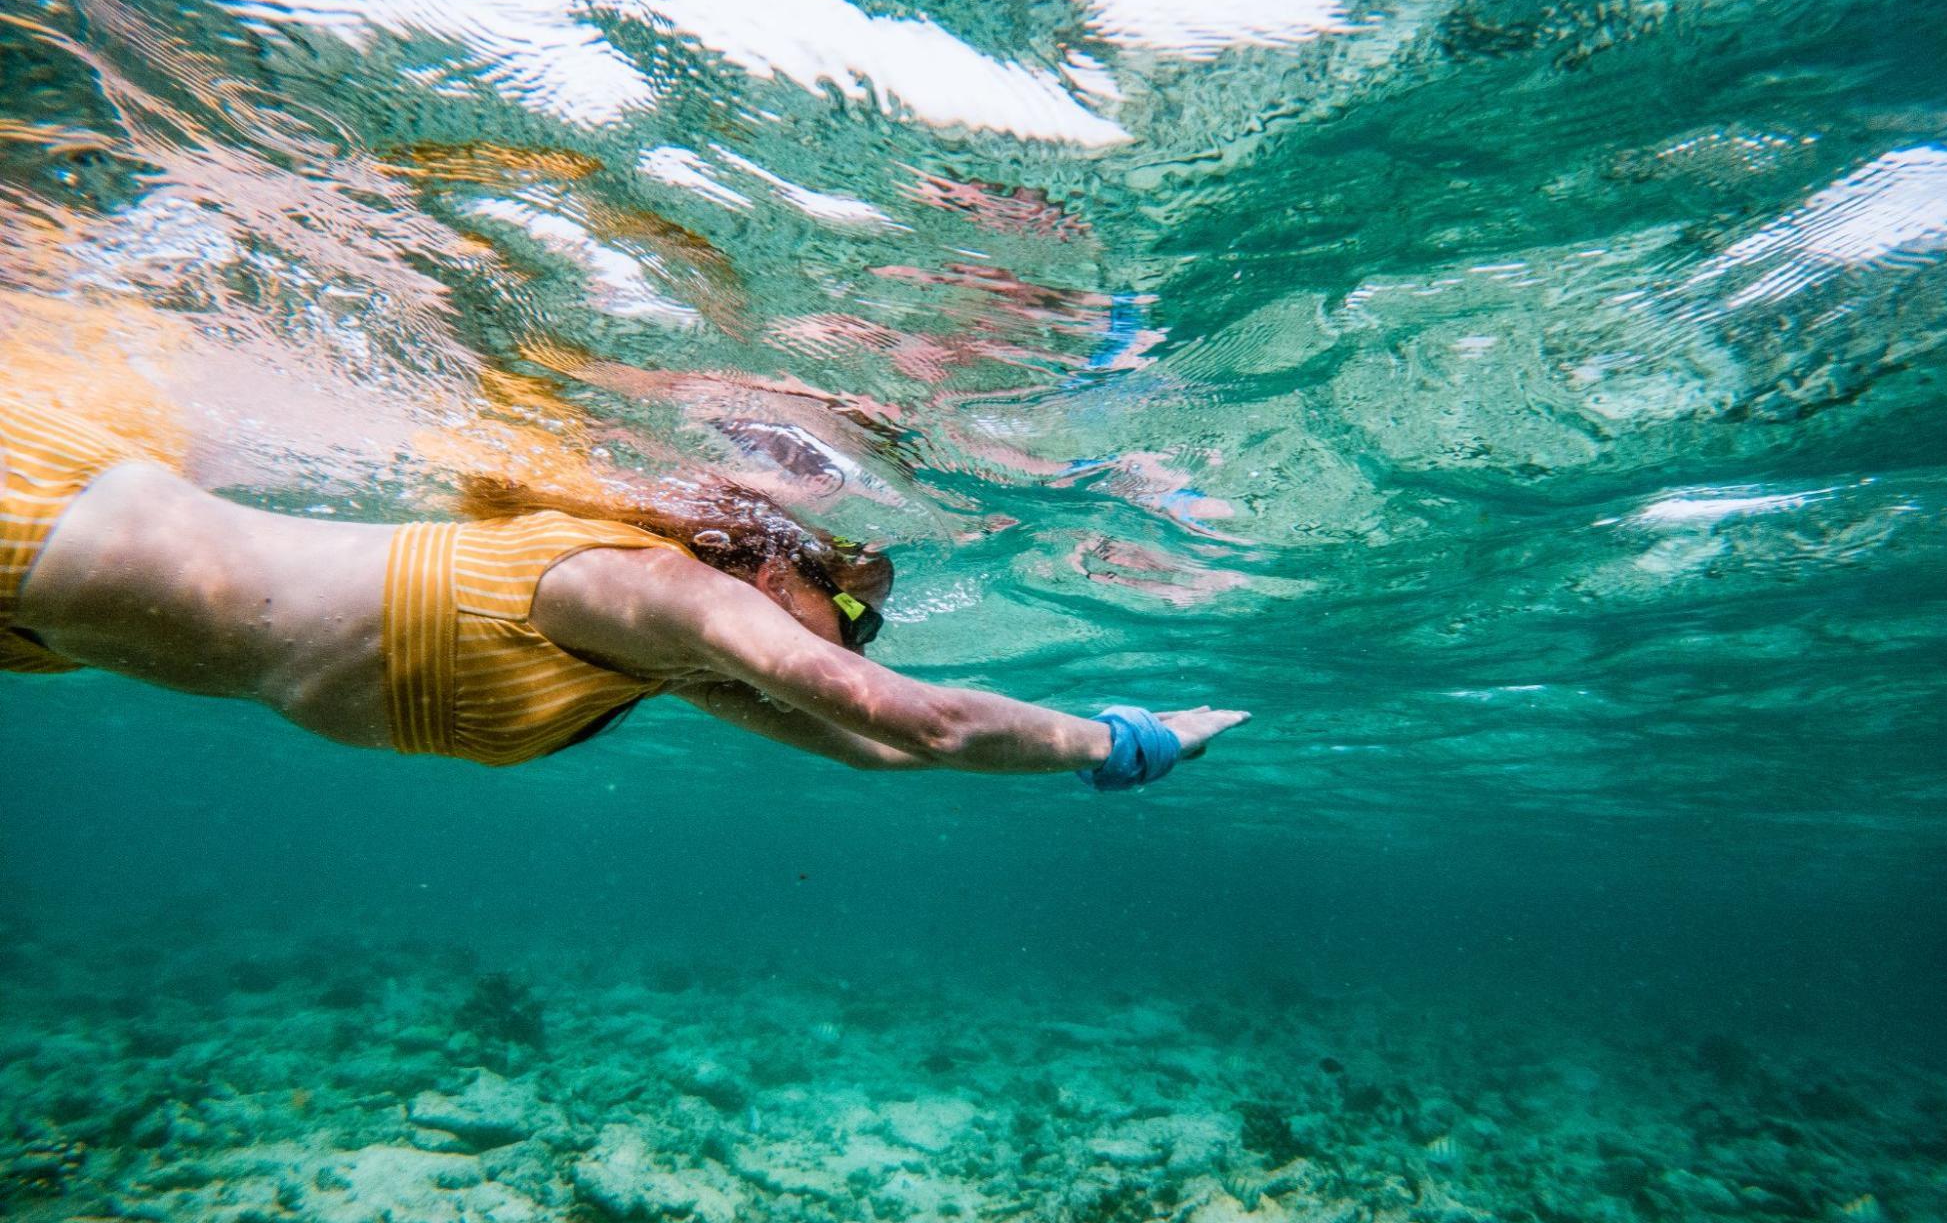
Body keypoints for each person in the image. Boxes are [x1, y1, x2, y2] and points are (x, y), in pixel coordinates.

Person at [0, 394, 1246, 785]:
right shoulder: (649, 588)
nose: (861, 639)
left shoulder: (668, 655)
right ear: (770, 566)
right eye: (850, 613)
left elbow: (883, 756)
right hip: (31, 512)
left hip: (41, 621)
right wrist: (1130, 741)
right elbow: (918, 717)